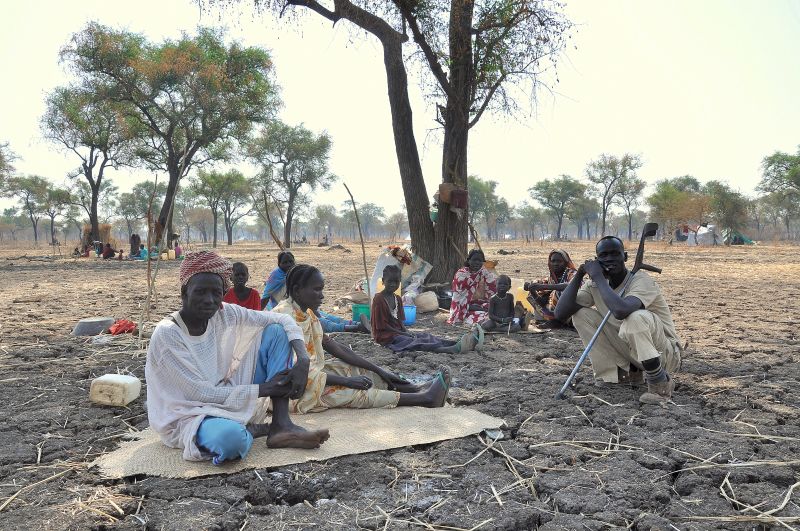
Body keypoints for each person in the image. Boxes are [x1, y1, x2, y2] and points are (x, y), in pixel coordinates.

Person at [145, 250, 329, 465]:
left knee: (278, 331)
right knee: (231, 441)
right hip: (190, 412)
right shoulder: (168, 333)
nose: (209, 300)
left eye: (216, 292)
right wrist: (266, 388)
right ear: (184, 293)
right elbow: (199, 393)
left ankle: (281, 425)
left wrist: (303, 360)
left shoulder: (224, 312)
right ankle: (250, 429)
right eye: (200, 292)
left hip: (228, 388)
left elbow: (282, 319)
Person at [272, 263, 452, 413]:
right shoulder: (285, 318)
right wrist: (347, 382)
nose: (322, 295)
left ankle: (415, 388)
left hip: (311, 374)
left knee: (357, 370)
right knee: (351, 391)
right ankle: (425, 398)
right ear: (297, 290)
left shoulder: (305, 312)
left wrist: (378, 369)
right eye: (317, 290)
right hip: (290, 389)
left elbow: (331, 344)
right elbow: (298, 372)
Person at [554, 236, 683, 404]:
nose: (609, 259)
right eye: (604, 255)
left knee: (635, 317)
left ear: (625, 257)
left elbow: (621, 311)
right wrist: (580, 274)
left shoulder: (641, 281)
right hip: (632, 351)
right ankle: (623, 374)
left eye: (615, 254)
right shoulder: (595, 284)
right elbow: (561, 313)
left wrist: (599, 278)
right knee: (580, 315)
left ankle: (660, 384)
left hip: (664, 354)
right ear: (597, 259)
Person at [373, 265, 482, 353]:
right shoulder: (379, 299)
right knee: (414, 342)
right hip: (386, 337)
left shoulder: (397, 298)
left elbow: (400, 320)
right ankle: (448, 349)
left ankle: (454, 343)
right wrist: (403, 333)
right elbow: (383, 326)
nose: (393, 285)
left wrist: (405, 330)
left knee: (424, 336)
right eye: (390, 281)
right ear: (383, 281)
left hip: (397, 332)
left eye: (396, 282)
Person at [262, 252, 369, 333]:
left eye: (291, 261)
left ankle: (357, 324)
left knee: (327, 316)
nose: (288, 264)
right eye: (284, 262)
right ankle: (356, 327)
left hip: (300, 306)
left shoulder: (296, 275)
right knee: (322, 322)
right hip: (289, 309)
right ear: (279, 264)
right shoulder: (276, 277)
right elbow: (265, 296)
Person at [524, 249, 578, 329]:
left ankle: (557, 322)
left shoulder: (572, 273)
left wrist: (544, 287)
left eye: (559, 261)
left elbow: (571, 286)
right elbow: (539, 284)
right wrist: (531, 287)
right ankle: (550, 318)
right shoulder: (551, 278)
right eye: (553, 261)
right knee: (532, 294)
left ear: (566, 262)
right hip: (554, 312)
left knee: (558, 292)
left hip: (572, 312)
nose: (555, 264)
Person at [448, 249, 497, 325]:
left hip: (479, 303)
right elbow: (459, 301)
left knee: (494, 312)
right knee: (484, 317)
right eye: (474, 260)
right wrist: (481, 308)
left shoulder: (484, 272)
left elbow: (492, 289)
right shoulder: (460, 275)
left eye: (480, 260)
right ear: (469, 261)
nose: (477, 263)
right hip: (463, 308)